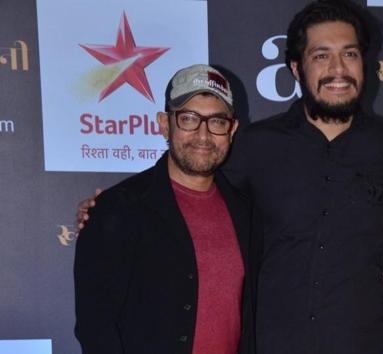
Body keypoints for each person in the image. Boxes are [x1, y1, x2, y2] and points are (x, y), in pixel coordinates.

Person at [75, 2, 383, 353]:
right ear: (298, 68)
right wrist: (111, 210)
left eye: (349, 55)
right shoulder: (252, 146)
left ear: (366, 64)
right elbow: (190, 192)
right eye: (321, 56)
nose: (337, 69)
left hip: (363, 344)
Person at [73, 64, 254, 354]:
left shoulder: (246, 211)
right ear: (163, 123)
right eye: (189, 118)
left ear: (231, 129)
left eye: (217, 121)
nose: (203, 135)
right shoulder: (118, 209)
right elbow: (95, 325)